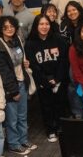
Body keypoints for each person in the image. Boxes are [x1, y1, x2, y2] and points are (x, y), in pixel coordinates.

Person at [0, 17, 33, 155]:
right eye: (5, 27)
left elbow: (21, 61)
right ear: (0, 29)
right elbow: (3, 71)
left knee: (23, 115)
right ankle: (13, 143)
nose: (9, 29)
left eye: (11, 26)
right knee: (12, 118)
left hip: (22, 82)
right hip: (10, 86)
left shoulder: (17, 41)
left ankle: (23, 140)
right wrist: (13, 90)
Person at [25, 15, 68, 143]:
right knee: (46, 107)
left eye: (47, 24)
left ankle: (62, 129)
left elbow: (64, 61)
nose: (44, 27)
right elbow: (33, 64)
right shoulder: (30, 43)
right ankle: (51, 130)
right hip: (42, 81)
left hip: (59, 79)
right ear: (36, 26)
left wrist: (57, 79)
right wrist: (45, 80)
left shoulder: (58, 39)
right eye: (41, 24)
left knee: (60, 105)